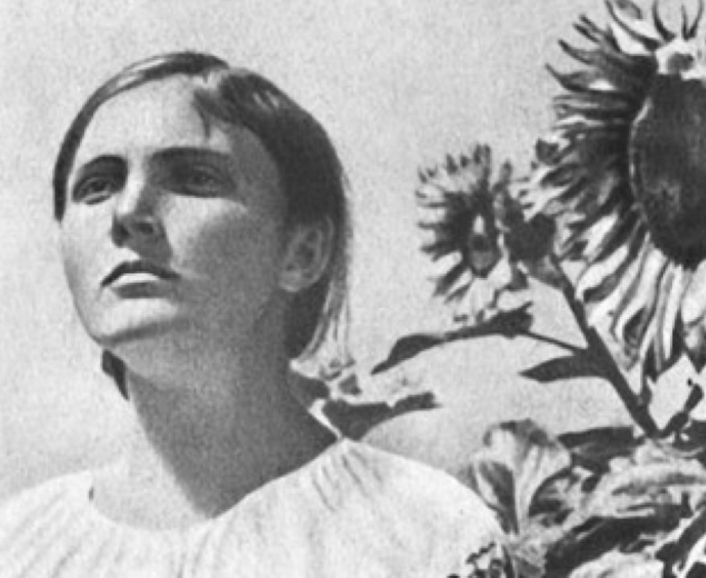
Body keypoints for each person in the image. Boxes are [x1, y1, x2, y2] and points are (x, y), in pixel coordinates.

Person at [0, 52, 514, 577]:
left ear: (303, 251)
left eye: (194, 177)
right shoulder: (18, 547)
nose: (128, 211)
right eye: (97, 185)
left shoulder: (426, 532)